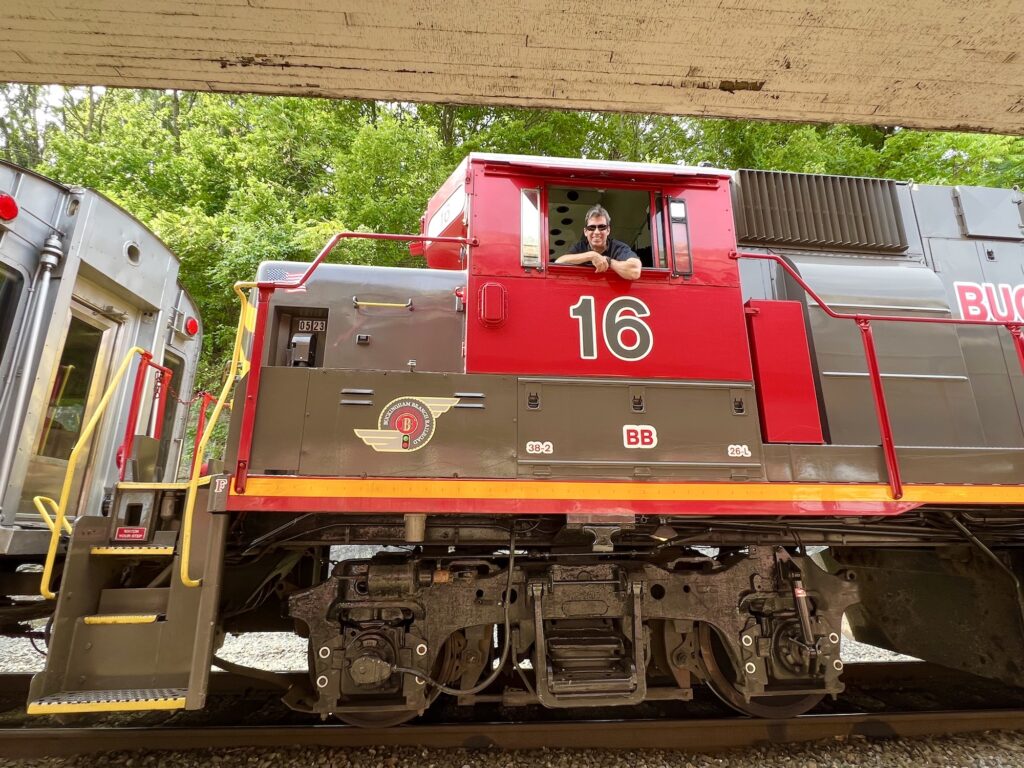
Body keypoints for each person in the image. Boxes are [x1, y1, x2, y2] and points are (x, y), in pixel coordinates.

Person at [554, 205, 642, 280]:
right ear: (585, 232)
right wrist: (592, 255)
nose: (596, 232)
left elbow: (635, 271)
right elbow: (558, 263)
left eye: (602, 227)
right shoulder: (579, 247)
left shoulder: (618, 248)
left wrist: (608, 261)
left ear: (608, 230)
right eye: (592, 227)